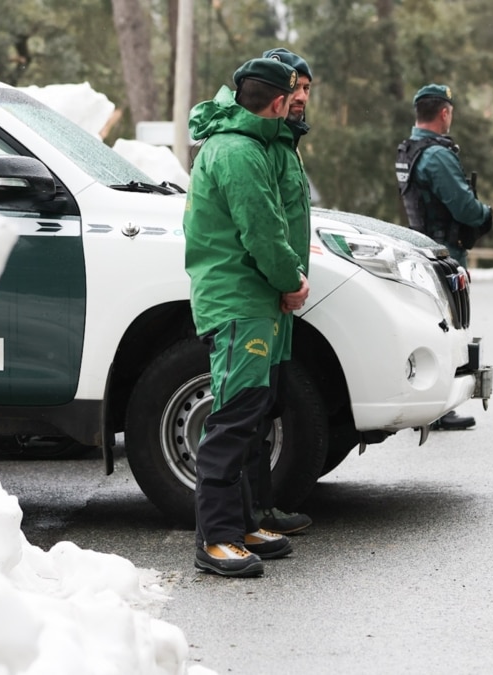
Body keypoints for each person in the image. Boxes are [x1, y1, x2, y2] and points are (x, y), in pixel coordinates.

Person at [184, 57, 307, 577]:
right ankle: (216, 539)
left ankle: (243, 522)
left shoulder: (247, 144)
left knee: (252, 413)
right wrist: (291, 280)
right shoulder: (238, 151)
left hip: (252, 301)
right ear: (277, 103)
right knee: (234, 418)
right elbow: (262, 231)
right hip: (239, 303)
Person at [241, 46, 316, 536]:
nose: (302, 98)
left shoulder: (284, 142)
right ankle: (244, 518)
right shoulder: (257, 145)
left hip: (279, 296)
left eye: (308, 89)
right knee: (246, 411)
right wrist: (289, 279)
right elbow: (262, 225)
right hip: (261, 295)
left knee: (266, 405)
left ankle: (259, 511)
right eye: (295, 89)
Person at [395, 83, 492, 430]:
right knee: (450, 327)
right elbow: (464, 207)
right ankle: (438, 409)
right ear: (445, 113)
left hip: (421, 246)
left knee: (431, 326)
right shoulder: (436, 155)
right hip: (443, 253)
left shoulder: (409, 149)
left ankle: (428, 405)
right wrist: (486, 214)